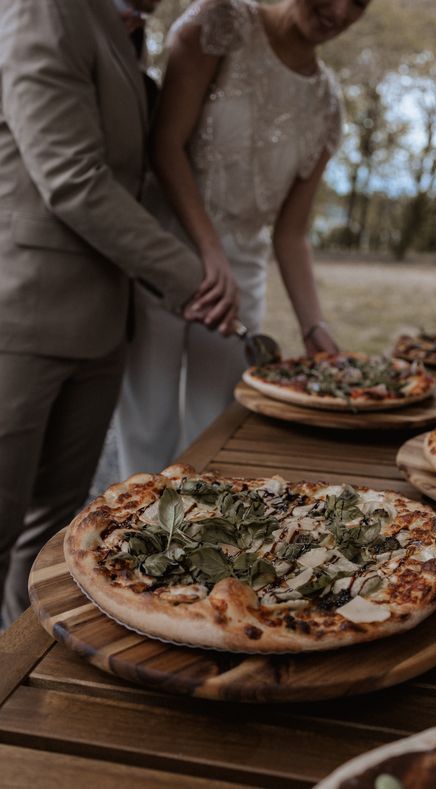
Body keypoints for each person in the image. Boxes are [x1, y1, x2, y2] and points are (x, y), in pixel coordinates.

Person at [0, 0, 236, 626]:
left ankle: (20, 672)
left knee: (50, 531)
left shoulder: (126, 34)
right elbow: (71, 177)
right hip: (19, 317)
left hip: (104, 324)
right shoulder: (42, 12)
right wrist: (191, 276)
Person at [116, 0, 373, 477]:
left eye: (359, 2)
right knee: (146, 430)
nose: (339, 10)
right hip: (163, 255)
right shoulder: (219, 24)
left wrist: (314, 327)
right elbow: (165, 146)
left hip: (241, 281)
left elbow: (291, 233)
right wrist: (210, 253)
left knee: (216, 429)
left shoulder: (328, 103)